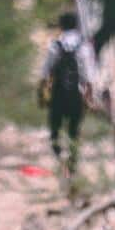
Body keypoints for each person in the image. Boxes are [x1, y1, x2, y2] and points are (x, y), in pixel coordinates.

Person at [39, 10, 98, 175]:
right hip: (75, 96)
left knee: (54, 130)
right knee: (74, 131)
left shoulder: (54, 45)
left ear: (61, 25)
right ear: (76, 25)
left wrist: (41, 96)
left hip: (58, 95)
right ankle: (72, 164)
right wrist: (89, 98)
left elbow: (45, 73)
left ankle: (60, 158)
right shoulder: (84, 47)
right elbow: (89, 77)